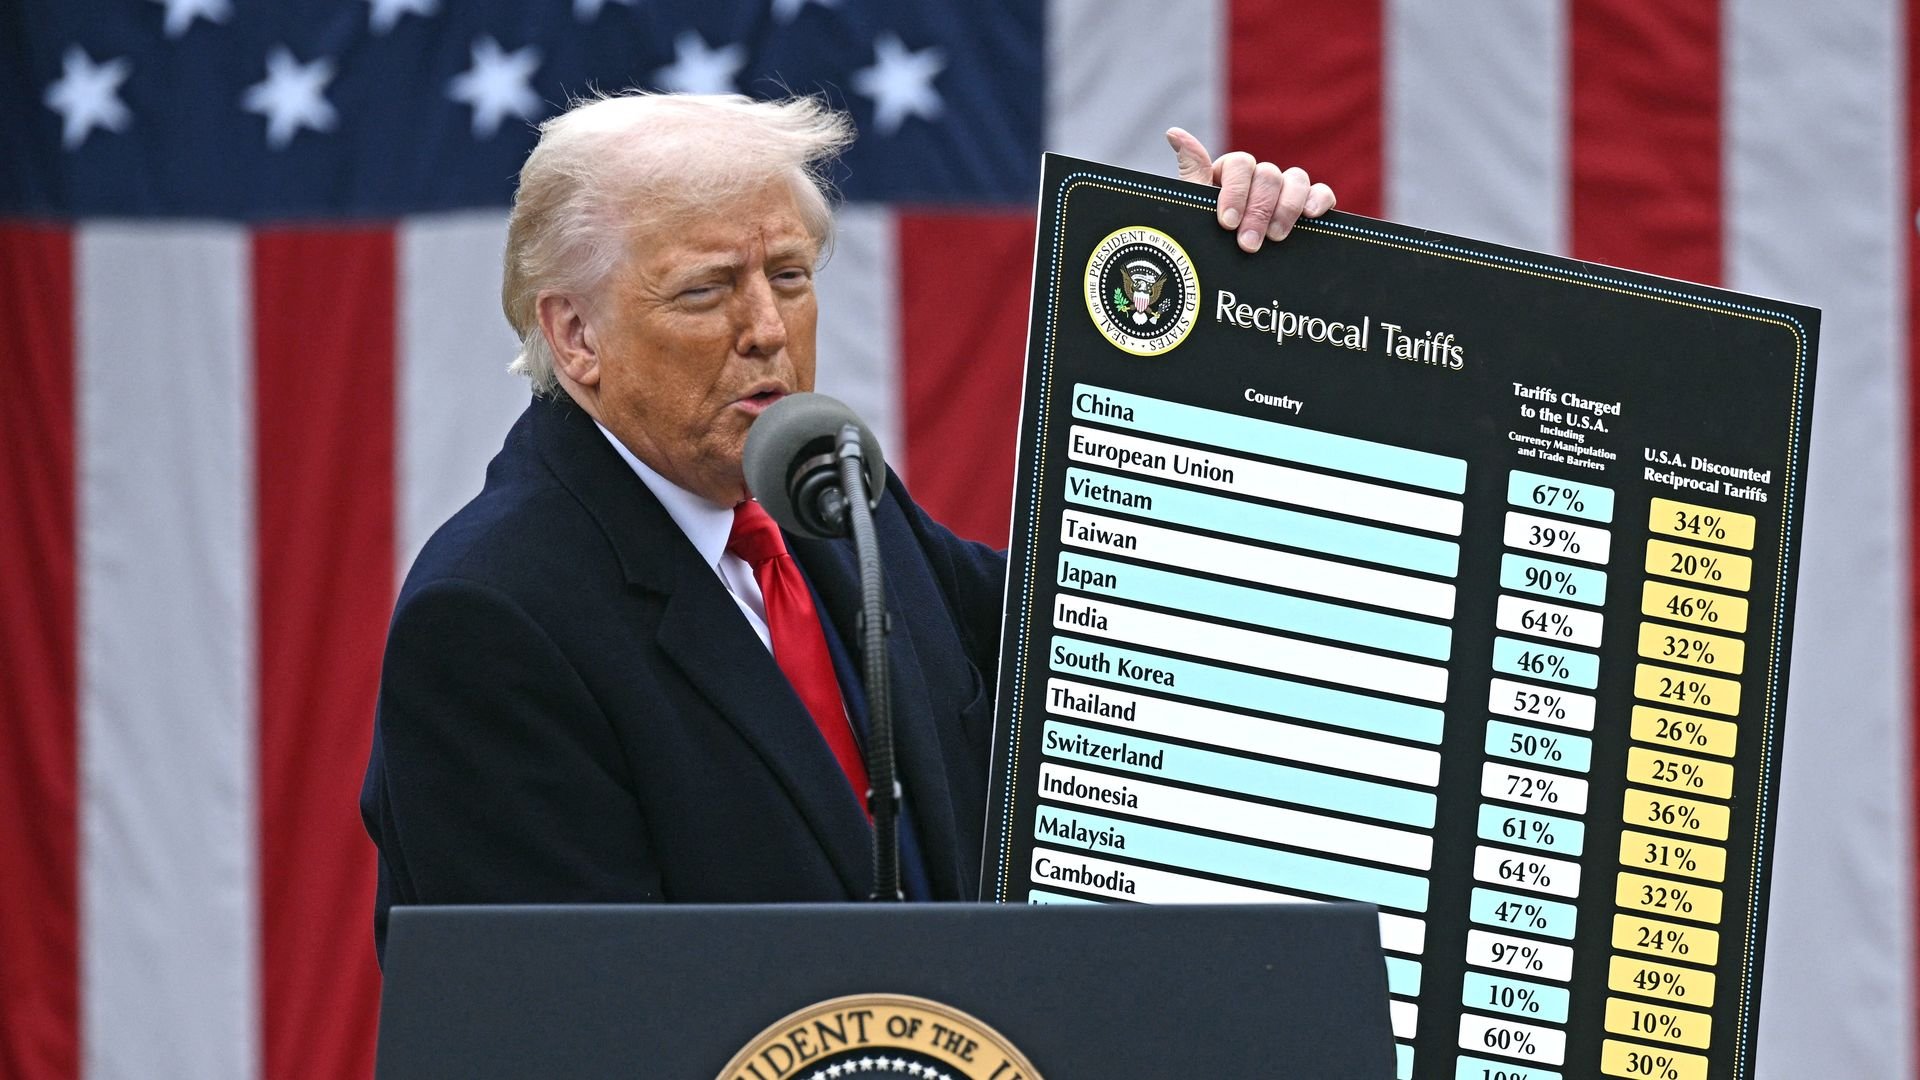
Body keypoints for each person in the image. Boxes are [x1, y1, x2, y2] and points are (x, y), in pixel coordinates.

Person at [359, 92, 1335, 960]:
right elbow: (582, 1027)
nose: (767, 329)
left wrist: (1239, 323)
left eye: (788, 276)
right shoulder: (491, 619)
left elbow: (1114, 650)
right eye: (706, 289)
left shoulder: (830, 501)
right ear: (576, 337)